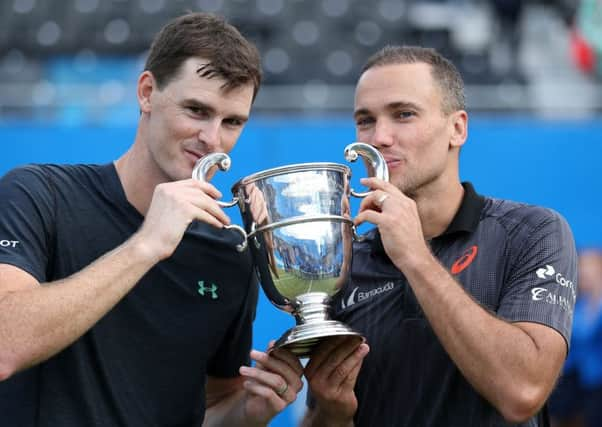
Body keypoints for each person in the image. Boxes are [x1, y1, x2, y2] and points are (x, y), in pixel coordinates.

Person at [0, 12, 304, 427]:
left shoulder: (229, 252)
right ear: (147, 93)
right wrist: (146, 245)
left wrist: (250, 411)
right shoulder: (38, 194)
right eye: (196, 110)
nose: (212, 139)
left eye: (232, 121)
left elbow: (213, 408)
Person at [301, 45, 578, 426]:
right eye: (365, 121)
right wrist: (331, 414)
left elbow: (523, 391)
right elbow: (322, 418)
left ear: (457, 128)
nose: (379, 137)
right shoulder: (344, 263)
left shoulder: (532, 232)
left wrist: (415, 257)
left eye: (404, 115)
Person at [549, 248, 602, 427]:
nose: (582, 272)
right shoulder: (579, 305)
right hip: (582, 383)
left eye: (588, 266)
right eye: (581, 266)